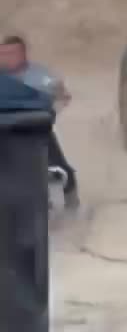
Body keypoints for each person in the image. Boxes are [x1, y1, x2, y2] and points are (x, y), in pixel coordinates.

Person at [0, 34, 79, 211]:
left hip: (34, 130)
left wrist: (49, 115)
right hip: (4, 132)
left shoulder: (40, 76)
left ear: (23, 53)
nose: (6, 57)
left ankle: (71, 199)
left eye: (11, 53)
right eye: (2, 53)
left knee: (57, 166)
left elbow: (63, 97)